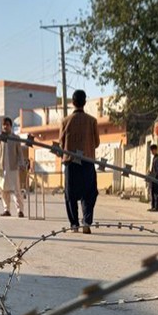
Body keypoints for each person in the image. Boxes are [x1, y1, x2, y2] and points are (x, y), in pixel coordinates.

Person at [58, 89, 100, 234]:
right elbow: (97, 143)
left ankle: (74, 224)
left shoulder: (65, 121)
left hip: (71, 163)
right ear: (85, 102)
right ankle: (87, 222)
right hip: (87, 161)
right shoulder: (92, 121)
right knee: (89, 193)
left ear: (73, 102)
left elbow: (61, 144)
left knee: (70, 195)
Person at [0, 117, 25, 217]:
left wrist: (22, 164)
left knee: (16, 190)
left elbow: (20, 153)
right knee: (3, 189)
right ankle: (6, 209)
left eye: (7, 124)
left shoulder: (15, 138)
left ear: (10, 126)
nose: (5, 127)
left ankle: (20, 210)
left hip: (13, 167)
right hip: (2, 168)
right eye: (3, 125)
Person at [147, 144, 158, 212]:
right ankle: (153, 206)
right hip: (152, 177)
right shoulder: (154, 158)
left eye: (152, 150)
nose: (151, 152)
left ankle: (157, 207)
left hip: (157, 178)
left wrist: (155, 176)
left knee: (157, 193)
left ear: (155, 150)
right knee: (152, 192)